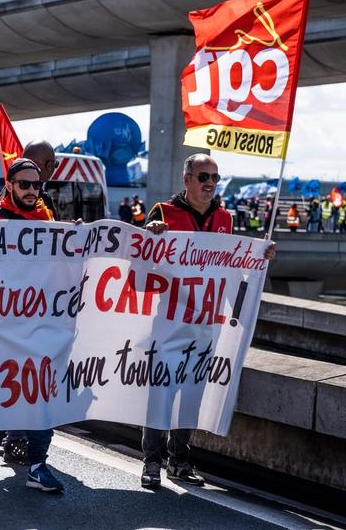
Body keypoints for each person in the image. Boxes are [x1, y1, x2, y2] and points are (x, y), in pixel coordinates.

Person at [140, 153, 275, 489]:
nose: (210, 184)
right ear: (186, 180)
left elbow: (232, 268)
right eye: (203, 177)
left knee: (191, 394)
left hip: (205, 326)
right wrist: (150, 234)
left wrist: (261, 257)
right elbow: (141, 257)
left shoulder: (224, 219)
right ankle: (151, 462)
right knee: (160, 392)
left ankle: (180, 461)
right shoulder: (163, 213)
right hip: (169, 323)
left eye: (215, 177)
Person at [0, 158, 64, 493]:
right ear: (10, 185)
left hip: (36, 323)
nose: (30, 190)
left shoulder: (47, 216)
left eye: (36, 185)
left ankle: (38, 465)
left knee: (41, 394)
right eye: (23, 184)